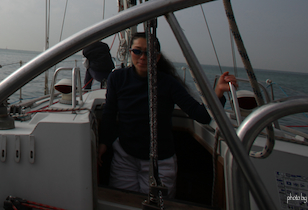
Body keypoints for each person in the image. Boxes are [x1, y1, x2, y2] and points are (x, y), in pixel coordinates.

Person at [98, 32, 237, 199]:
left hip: (160, 162)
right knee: (122, 202)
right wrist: (103, 143)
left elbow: (201, 115)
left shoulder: (168, 83)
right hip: (124, 158)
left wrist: (218, 92)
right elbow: (109, 113)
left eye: (149, 53)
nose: (142, 57)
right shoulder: (117, 78)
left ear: (157, 57)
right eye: (137, 51)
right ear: (130, 52)